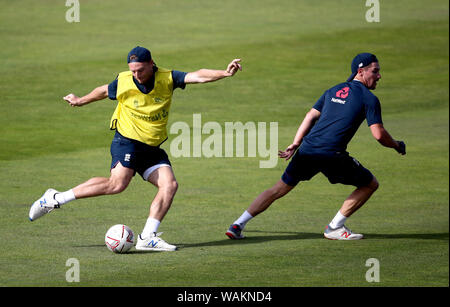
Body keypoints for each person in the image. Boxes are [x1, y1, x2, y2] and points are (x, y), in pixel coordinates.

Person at [29, 46, 242, 251]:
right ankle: (55, 199)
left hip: (151, 146)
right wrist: (80, 101)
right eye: (133, 70)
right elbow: (104, 90)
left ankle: (148, 237)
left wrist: (224, 73)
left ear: (151, 64)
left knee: (169, 185)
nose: (137, 74)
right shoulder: (124, 81)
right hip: (127, 140)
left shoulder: (167, 78)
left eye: (140, 70)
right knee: (117, 184)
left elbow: (197, 75)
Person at [226, 53, 405, 241]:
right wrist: (397, 145)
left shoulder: (332, 90)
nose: (379, 76)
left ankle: (238, 224)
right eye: (375, 71)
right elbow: (378, 135)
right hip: (332, 155)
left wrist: (296, 143)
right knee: (370, 184)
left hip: (308, 150)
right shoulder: (369, 99)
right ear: (360, 72)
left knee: (278, 189)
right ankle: (335, 227)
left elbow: (310, 116)